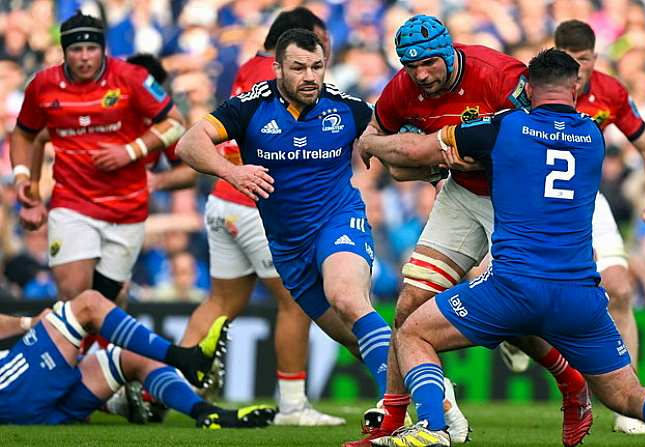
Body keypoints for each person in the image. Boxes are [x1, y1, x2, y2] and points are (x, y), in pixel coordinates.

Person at [369, 48, 645, 447]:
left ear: (528, 88)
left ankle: (431, 427)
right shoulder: (591, 138)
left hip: (512, 286)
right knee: (627, 393)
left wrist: (372, 144)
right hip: (580, 296)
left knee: (413, 333)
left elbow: (416, 152)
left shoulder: (501, 128)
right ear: (574, 88)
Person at [350, 15, 586, 446]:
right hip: (460, 196)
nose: (421, 75)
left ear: (450, 50)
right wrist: (423, 158)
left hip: (514, 201)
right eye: (411, 66)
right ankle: (396, 416)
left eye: (430, 64)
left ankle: (571, 380)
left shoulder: (499, 75)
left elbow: (540, 139)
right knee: (408, 307)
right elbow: (372, 138)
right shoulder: (403, 87)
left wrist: (434, 150)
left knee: (513, 311)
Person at [176, 29, 392, 411]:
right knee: (354, 338)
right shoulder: (249, 107)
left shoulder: (348, 108)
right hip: (289, 247)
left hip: (339, 222)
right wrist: (232, 173)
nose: (309, 76)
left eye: (317, 67)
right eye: (298, 67)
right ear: (277, 68)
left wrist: (423, 167)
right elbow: (188, 143)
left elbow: (392, 139)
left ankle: (421, 411)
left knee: (346, 297)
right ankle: (436, 393)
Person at [499, 20, 645, 435]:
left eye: (585, 61)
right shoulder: (533, 88)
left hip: (586, 200)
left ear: (596, 57)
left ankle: (629, 407)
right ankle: (511, 331)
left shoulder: (610, 92)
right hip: (531, 201)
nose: (578, 69)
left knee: (622, 289)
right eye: (571, 60)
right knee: (512, 284)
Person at [9, 11, 186, 302]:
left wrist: (130, 151)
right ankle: (84, 348)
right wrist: (25, 182)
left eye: (91, 48)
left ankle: (102, 349)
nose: (84, 57)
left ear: (103, 49)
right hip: (71, 204)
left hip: (126, 208)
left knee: (108, 299)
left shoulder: (131, 77)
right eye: (76, 49)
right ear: (64, 52)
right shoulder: (43, 85)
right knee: (72, 291)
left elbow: (176, 122)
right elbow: (26, 134)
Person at [0, 290, 275, 428]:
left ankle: (208, 414)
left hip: (26, 398)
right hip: (8, 392)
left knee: (132, 356)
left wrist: (28, 323)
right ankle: (187, 359)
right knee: (89, 304)